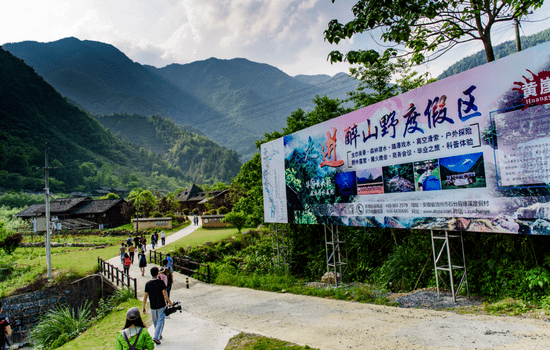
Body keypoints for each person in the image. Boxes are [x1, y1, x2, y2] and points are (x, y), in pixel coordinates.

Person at [143, 267, 173, 345]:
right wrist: (169, 303)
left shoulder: (148, 284)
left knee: (155, 322)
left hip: (152, 306)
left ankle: (158, 334)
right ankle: (156, 336)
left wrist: (143, 307)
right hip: (161, 305)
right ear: (157, 273)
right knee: (160, 321)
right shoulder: (161, 282)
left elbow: (145, 296)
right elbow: (165, 293)